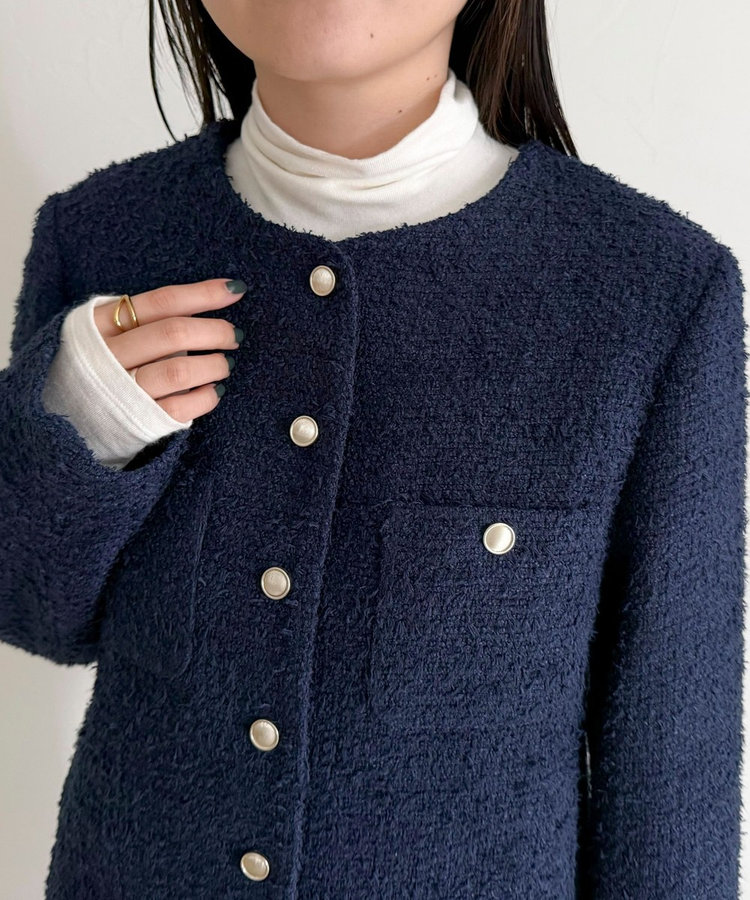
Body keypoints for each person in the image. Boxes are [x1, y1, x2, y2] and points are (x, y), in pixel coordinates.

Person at [1, 1, 745, 897]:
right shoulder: (100, 236)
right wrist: (76, 411)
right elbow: (34, 613)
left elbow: (671, 787)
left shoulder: (651, 292)